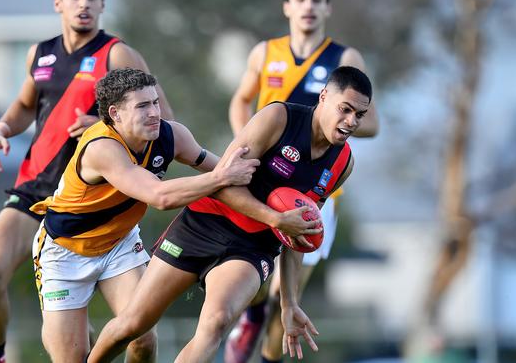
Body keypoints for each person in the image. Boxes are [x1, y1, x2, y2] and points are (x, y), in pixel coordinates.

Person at [89, 66, 373, 363]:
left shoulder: (342, 163)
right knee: (133, 325)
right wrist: (274, 218)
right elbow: (222, 182)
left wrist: (289, 303)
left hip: (253, 248)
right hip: (204, 223)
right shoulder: (278, 118)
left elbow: (301, 231)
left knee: (217, 322)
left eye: (360, 115)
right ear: (324, 97)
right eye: (346, 109)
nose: (351, 121)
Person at [0, 0, 174, 362]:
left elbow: (162, 121)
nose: (83, 4)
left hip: (93, 201)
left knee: (140, 340)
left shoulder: (117, 54)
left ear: (102, 6)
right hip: (37, 188)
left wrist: (106, 128)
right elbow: (23, 105)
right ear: (58, 4)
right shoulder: (40, 53)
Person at [30, 67, 260, 362]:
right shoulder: (102, 147)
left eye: (155, 102)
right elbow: (160, 197)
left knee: (143, 340)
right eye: (142, 106)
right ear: (116, 113)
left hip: (119, 244)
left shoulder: (172, 135)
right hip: (65, 252)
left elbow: (225, 170)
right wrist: (222, 178)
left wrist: (277, 201)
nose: (154, 112)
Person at [226, 0, 379, 361]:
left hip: (313, 193)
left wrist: (338, 121)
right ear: (286, 7)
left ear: (328, 9)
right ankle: (253, 312)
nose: (308, 6)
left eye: (317, 0)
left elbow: (372, 123)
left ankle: (268, 356)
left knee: (289, 294)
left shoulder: (346, 58)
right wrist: (246, 146)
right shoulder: (265, 53)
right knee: (259, 285)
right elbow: (241, 101)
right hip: (265, 186)